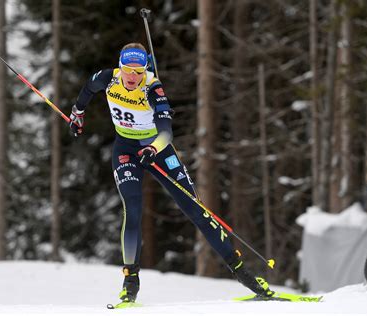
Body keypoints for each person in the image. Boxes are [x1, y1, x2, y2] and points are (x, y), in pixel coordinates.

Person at [69, 43, 274, 303]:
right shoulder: (107, 78)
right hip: (125, 149)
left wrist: (153, 149)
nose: (132, 76)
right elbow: (87, 89)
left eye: (138, 71)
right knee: (132, 209)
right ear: (120, 68)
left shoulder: (153, 88)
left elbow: (166, 131)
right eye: (127, 70)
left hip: (158, 150)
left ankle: (248, 278)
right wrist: (78, 113)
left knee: (196, 210)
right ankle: (130, 285)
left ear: (145, 70)